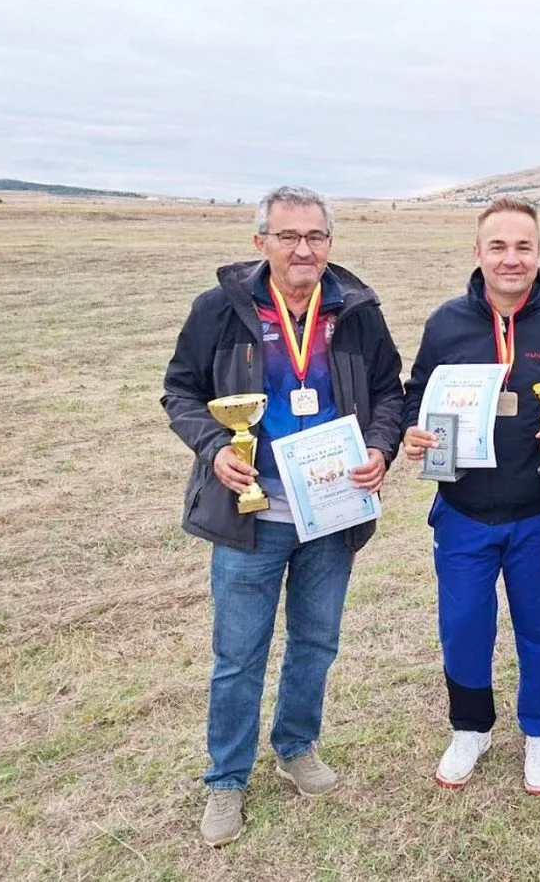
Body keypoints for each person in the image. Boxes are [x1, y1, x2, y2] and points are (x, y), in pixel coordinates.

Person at [162, 185, 405, 847]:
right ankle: (226, 779)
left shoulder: (356, 311)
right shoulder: (219, 310)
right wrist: (215, 449)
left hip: (331, 511)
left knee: (316, 642)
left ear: (330, 243)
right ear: (260, 242)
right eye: (289, 236)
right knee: (239, 654)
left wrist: (380, 448)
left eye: (315, 237)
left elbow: (389, 391)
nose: (303, 249)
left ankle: (296, 745)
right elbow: (180, 391)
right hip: (251, 517)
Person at [401, 197, 540, 795]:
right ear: (478, 252)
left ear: (539, 251)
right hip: (462, 511)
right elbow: (417, 392)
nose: (511, 259)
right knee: (463, 625)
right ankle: (470, 727)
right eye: (498, 246)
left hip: (538, 511)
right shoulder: (446, 323)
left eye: (522, 246)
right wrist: (412, 430)